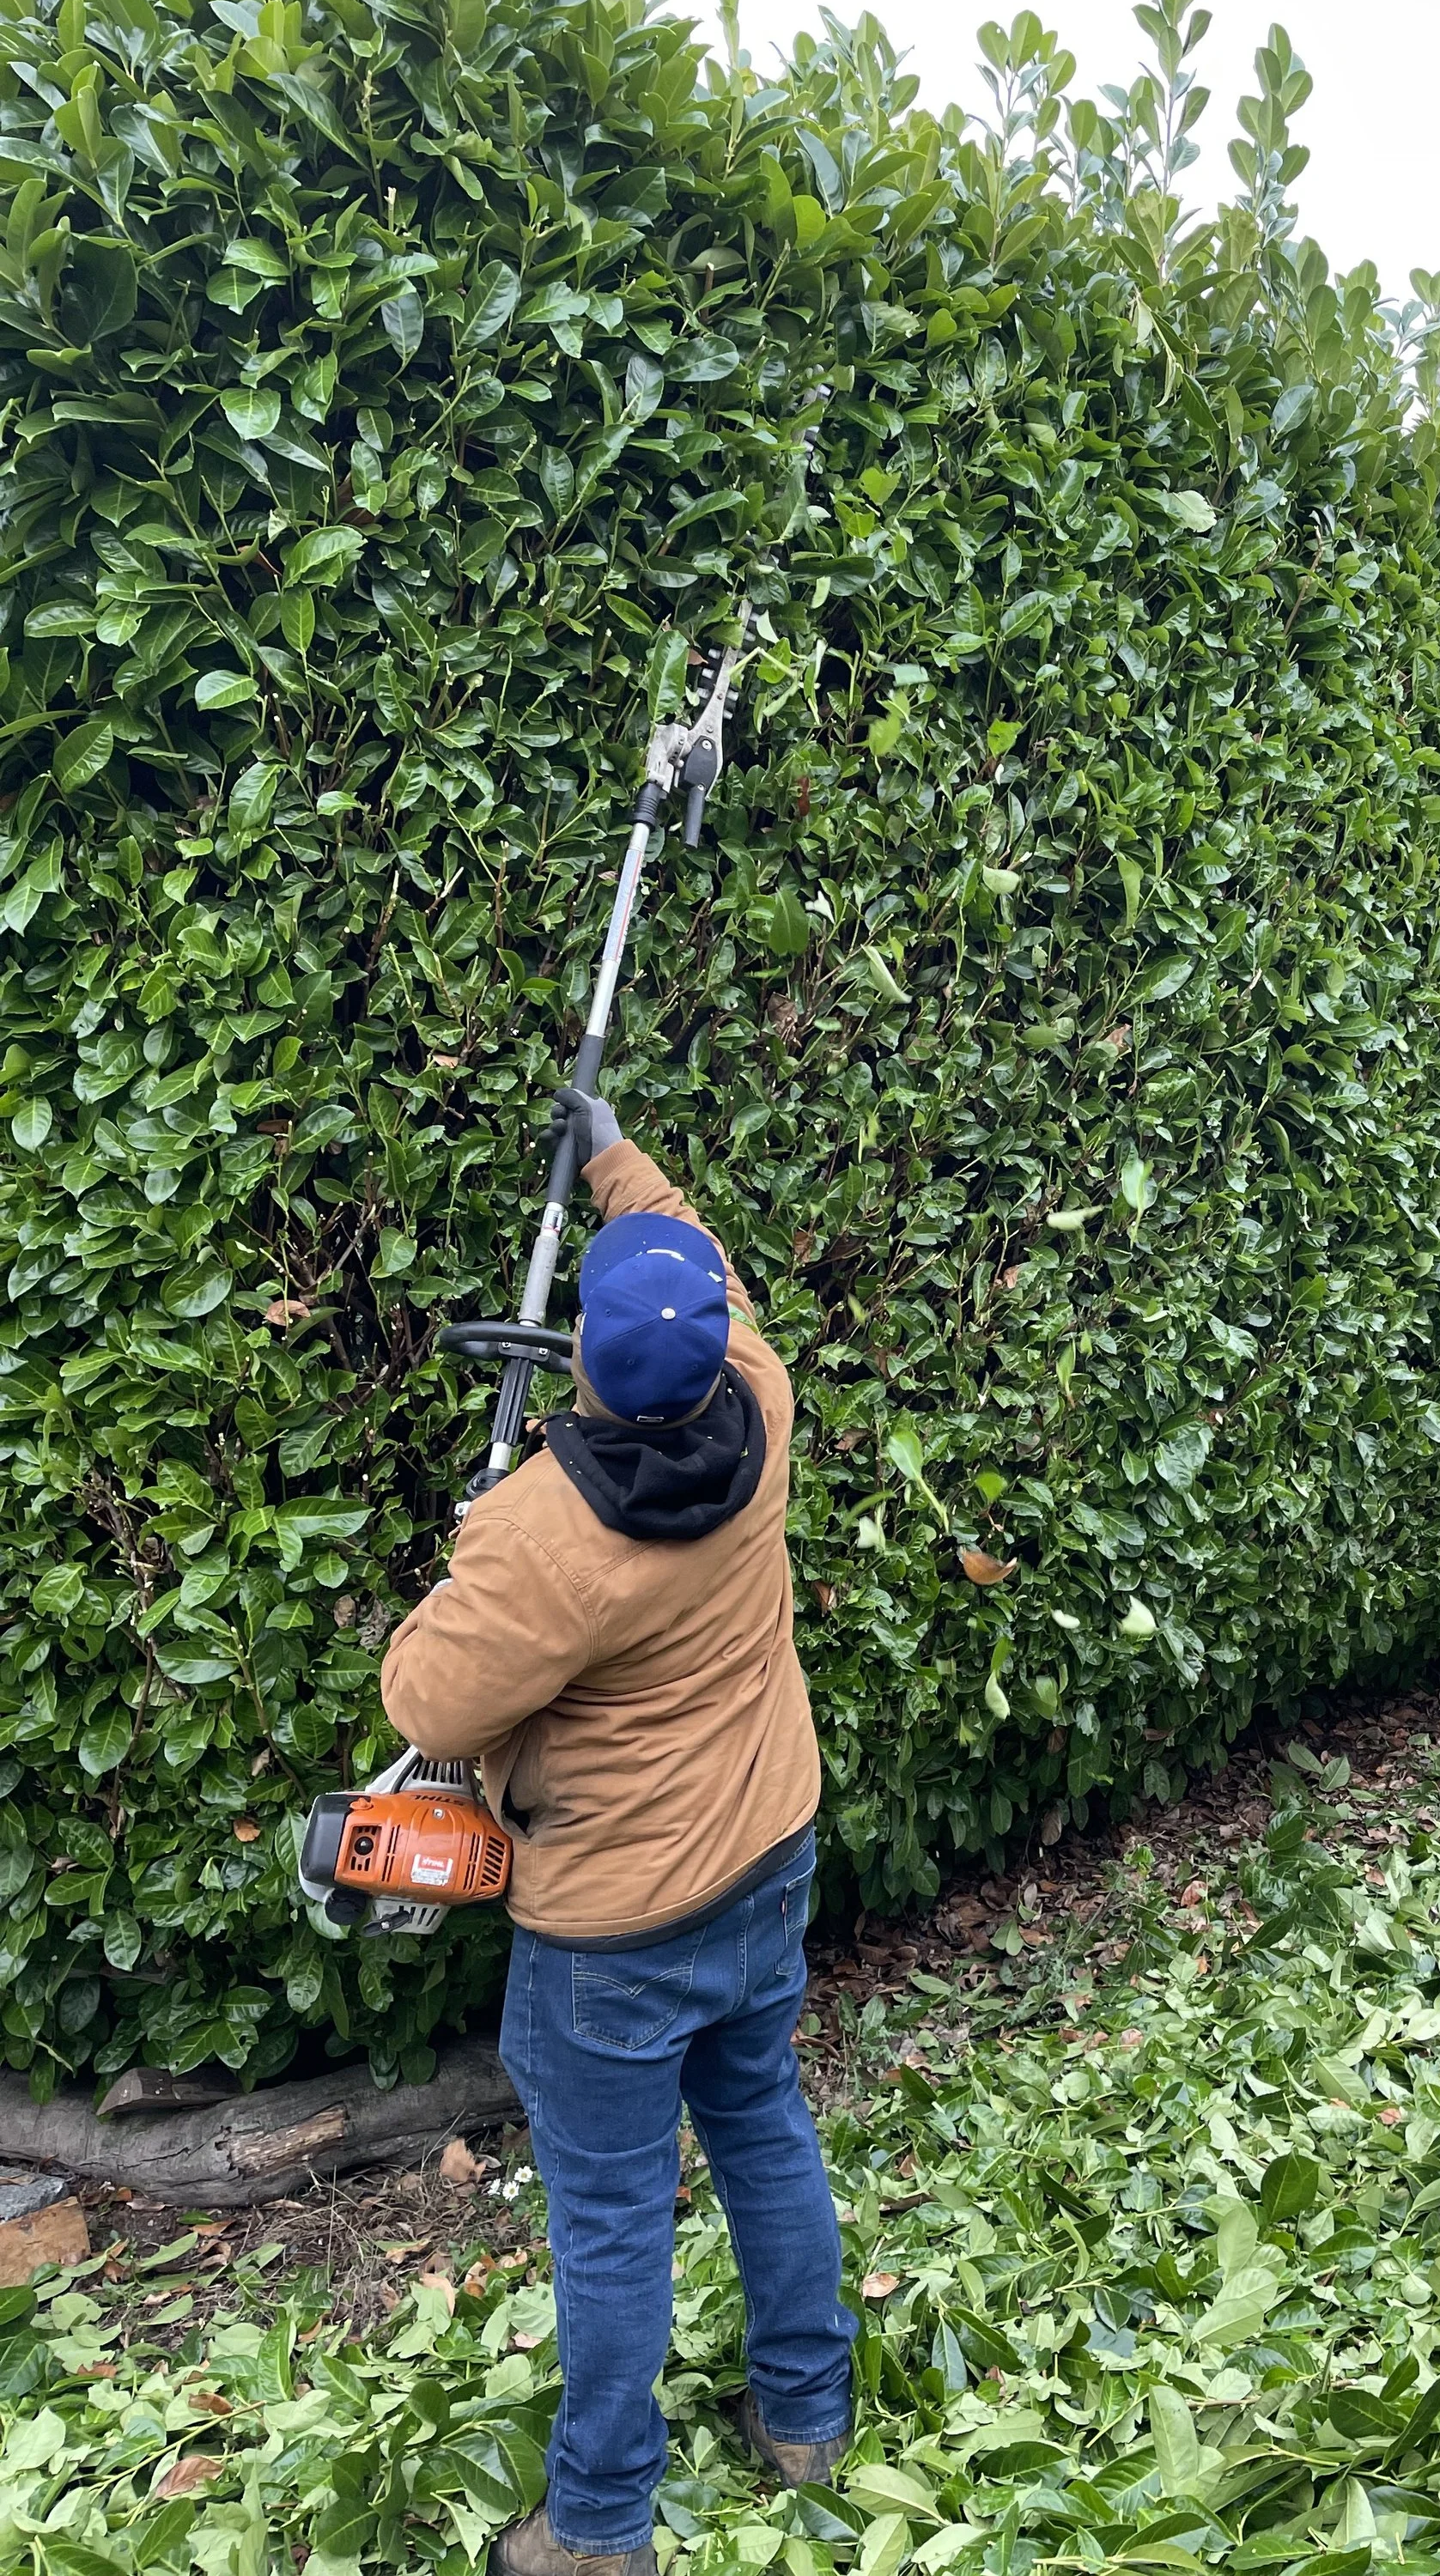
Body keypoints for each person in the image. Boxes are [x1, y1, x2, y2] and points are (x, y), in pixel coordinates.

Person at [380, 1091, 856, 2576]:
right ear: (716, 1344)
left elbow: (428, 1698)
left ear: (580, 1356)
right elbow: (692, 1252)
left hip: (613, 1934)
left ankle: (593, 2527)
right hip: (765, 1851)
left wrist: (473, 1550)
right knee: (763, 2123)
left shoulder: (542, 1537)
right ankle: (809, 2415)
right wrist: (618, 1158)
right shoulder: (762, 1403)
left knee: (608, 2220)